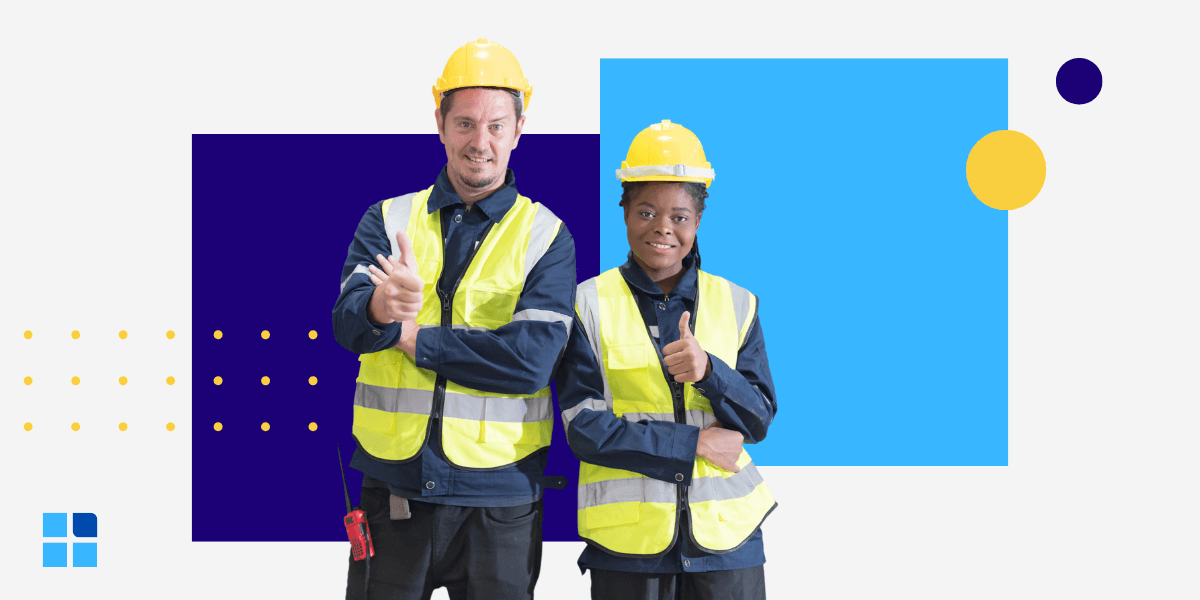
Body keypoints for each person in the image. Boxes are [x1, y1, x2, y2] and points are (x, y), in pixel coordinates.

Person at [332, 38, 576, 600]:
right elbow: (347, 326)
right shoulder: (388, 218)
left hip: (500, 503)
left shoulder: (546, 237)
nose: (480, 142)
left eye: (496, 126)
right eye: (464, 123)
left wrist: (409, 335)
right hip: (394, 490)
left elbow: (529, 362)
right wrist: (377, 308)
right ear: (440, 125)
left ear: (519, 130)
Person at [556, 120, 777, 599]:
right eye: (646, 212)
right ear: (625, 213)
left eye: (679, 217)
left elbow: (758, 419)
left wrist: (710, 372)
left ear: (698, 221)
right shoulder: (586, 304)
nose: (662, 228)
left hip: (727, 543)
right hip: (630, 548)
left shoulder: (738, 303)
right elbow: (585, 429)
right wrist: (693, 443)